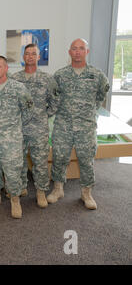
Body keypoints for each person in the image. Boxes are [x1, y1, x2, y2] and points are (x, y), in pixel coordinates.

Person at [47, 38, 109, 210]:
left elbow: (101, 95)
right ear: (69, 52)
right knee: (59, 157)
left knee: (86, 160)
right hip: (63, 125)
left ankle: (86, 193)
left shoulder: (97, 75)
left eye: (81, 48)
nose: (77, 52)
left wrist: (88, 112)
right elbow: (54, 96)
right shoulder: (59, 75)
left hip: (86, 127)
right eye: (74, 48)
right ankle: (58, 189)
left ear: (87, 52)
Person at [0, 56, 33, 219]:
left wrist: (14, 127)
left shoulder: (18, 88)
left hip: (11, 138)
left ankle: (15, 199)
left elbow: (28, 110)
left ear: (6, 68)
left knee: (12, 171)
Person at [11, 44, 59, 208]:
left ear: (38, 57)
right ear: (23, 57)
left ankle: (41, 191)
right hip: (20, 128)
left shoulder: (47, 78)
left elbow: (55, 102)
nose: (30, 56)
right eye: (27, 54)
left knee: (40, 162)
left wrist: (44, 116)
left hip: (39, 129)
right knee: (19, 161)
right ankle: (22, 187)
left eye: (34, 54)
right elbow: (11, 103)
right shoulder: (15, 79)